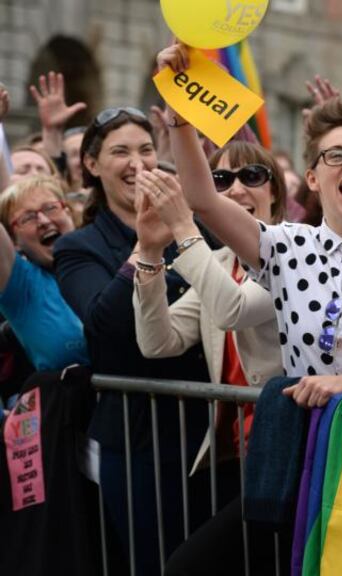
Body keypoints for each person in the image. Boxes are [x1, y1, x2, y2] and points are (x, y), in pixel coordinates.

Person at [157, 43, 342, 404]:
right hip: (306, 442)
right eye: (335, 155)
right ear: (313, 178)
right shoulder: (286, 246)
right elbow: (202, 200)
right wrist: (179, 114)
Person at [53, 106, 211, 575]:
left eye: (145, 149)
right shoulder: (78, 248)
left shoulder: (191, 228)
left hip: (207, 432)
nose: (137, 162)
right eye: (120, 151)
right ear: (92, 165)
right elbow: (102, 328)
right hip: (140, 440)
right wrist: (147, 249)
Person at [133, 140, 285, 446]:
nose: (237, 189)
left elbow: (234, 311)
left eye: (252, 176)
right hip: (238, 442)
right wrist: (150, 251)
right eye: (221, 180)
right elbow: (158, 343)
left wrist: (182, 225)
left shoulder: (293, 250)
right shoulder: (220, 261)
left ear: (275, 191)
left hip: (289, 434)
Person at [0, 175, 87, 371]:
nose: (44, 221)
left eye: (50, 208)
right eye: (28, 217)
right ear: (14, 241)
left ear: (69, 213)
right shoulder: (21, 286)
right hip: (73, 399)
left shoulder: (104, 256)